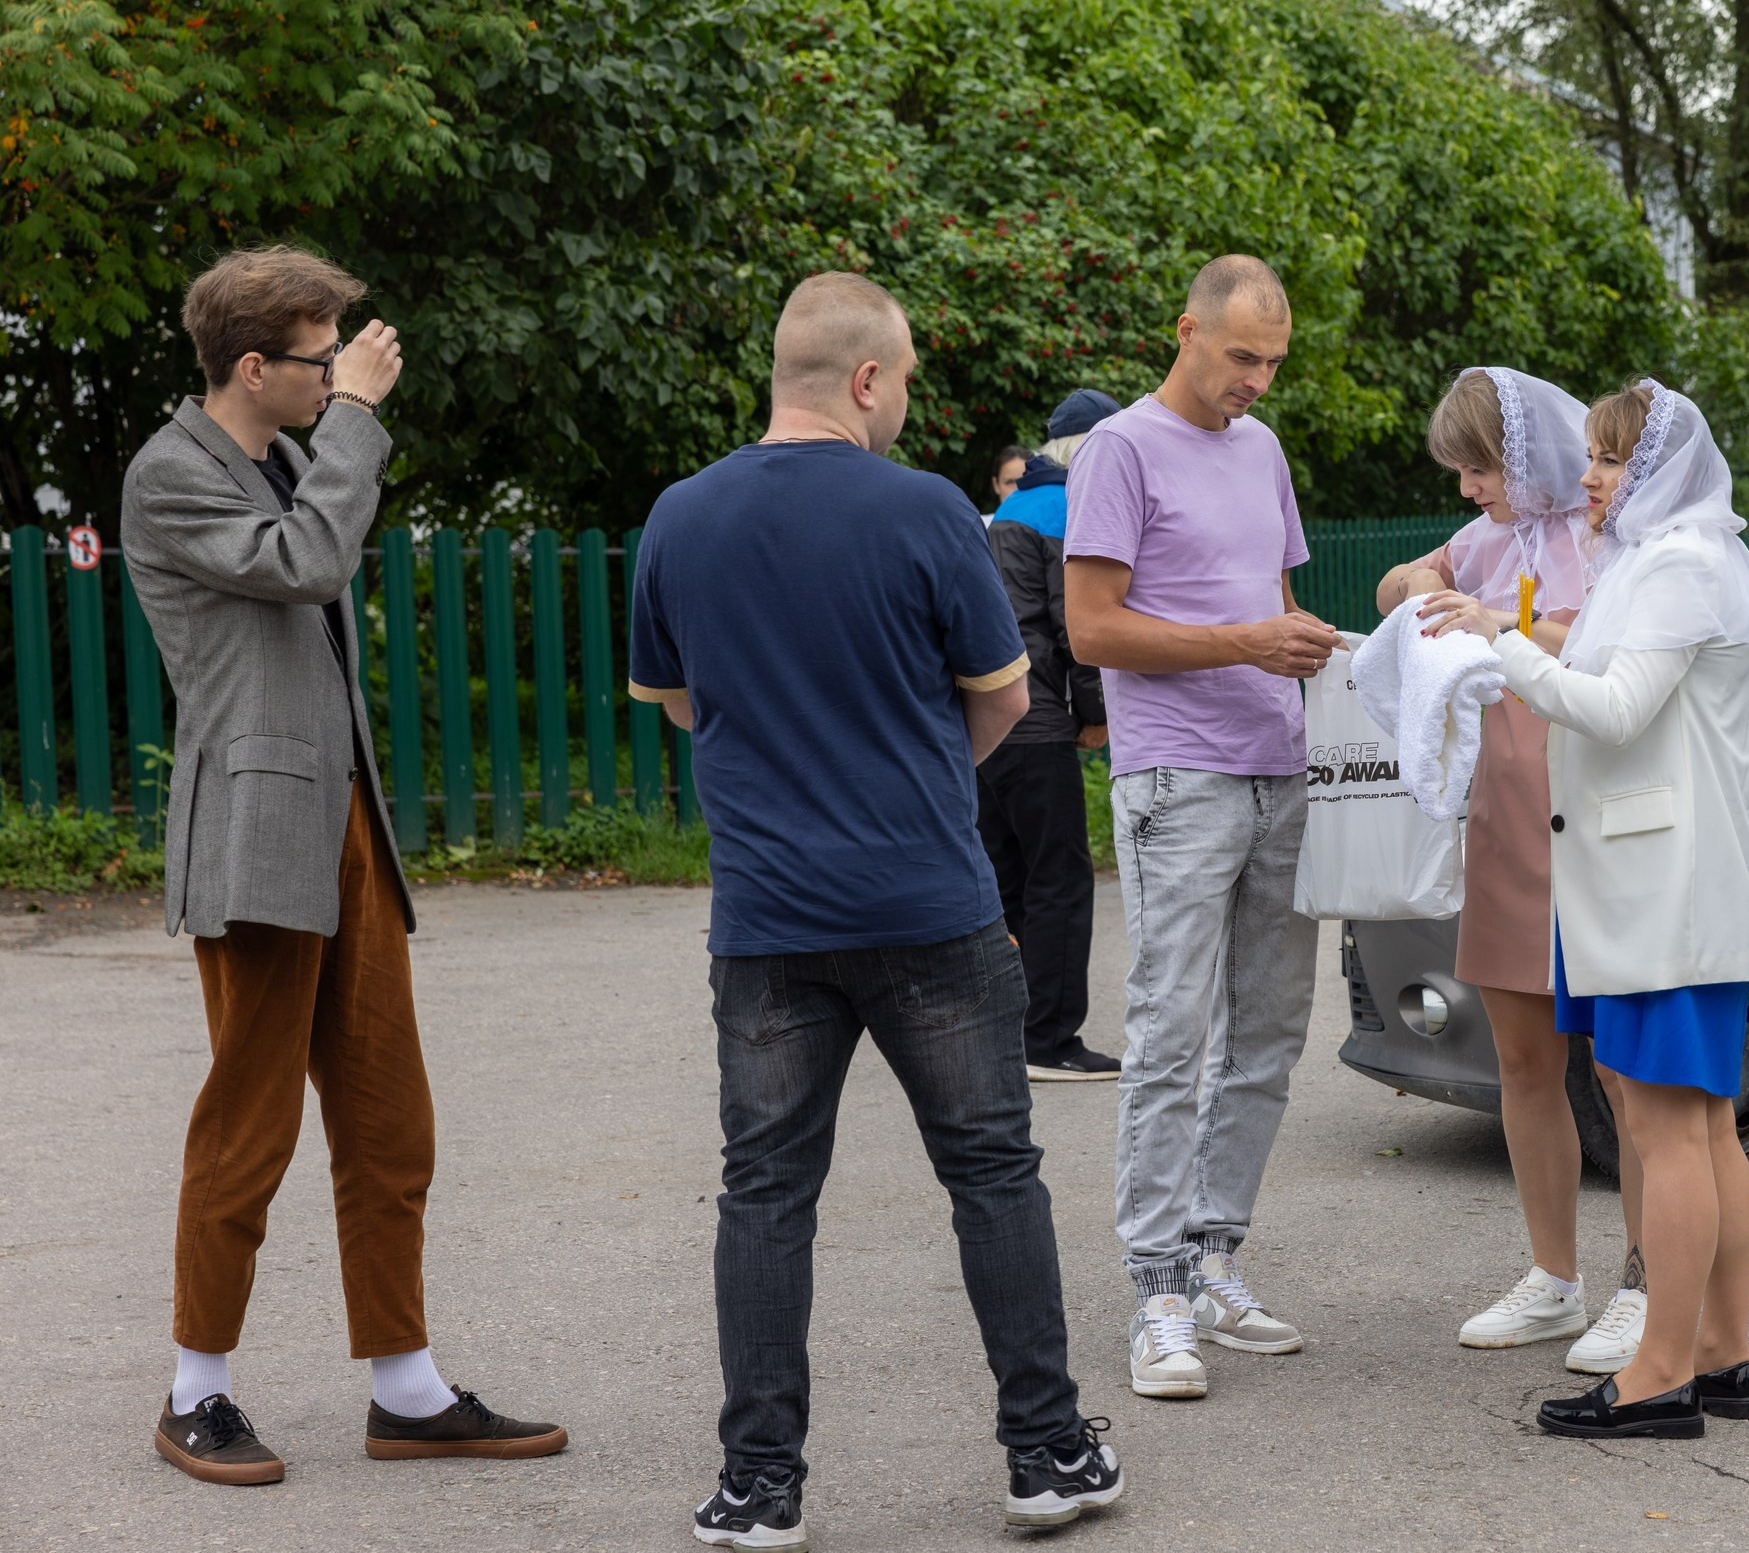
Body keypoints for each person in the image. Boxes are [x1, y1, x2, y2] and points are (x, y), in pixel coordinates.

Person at [629, 272, 1122, 1546]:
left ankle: (759, 1485)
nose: (903, 399)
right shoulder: (925, 511)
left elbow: (679, 701)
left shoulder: (680, 517)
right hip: (928, 904)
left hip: (767, 918)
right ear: (864, 379)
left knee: (764, 1193)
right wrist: (915, 778)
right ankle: (1046, 1453)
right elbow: (1003, 697)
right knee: (992, 1174)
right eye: (900, 378)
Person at [121, 246, 565, 1486]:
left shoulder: (278, 458)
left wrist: (337, 430)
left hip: (343, 818)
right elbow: (305, 564)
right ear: (251, 365)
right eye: (320, 360)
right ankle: (195, 1390)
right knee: (249, 1122)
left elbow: (312, 548)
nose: (339, 376)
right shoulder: (170, 474)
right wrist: (358, 417)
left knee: (387, 1116)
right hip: (256, 827)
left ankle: (406, 1390)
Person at [1423, 378, 1749, 1440]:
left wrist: (1500, 646)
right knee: (1699, 1126)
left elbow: (1618, 709)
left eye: (1613, 458)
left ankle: (1660, 1372)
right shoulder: (1663, 556)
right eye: (1590, 454)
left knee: (1671, 1129)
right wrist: (1511, 632)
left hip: (1659, 892)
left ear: (1660, 470)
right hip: (1652, 887)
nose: (1590, 474)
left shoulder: (1677, 563)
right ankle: (1721, 1354)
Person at [1062, 254, 1341, 1401]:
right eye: (1240, 356)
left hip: (1281, 768)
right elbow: (1090, 630)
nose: (1257, 380)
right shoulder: (1120, 448)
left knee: (1269, 1033)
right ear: (1185, 330)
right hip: (1178, 777)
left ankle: (1215, 1257)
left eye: (1272, 361)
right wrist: (1247, 643)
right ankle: (1157, 1291)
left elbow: (1271, 604)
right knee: (1170, 1035)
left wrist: (1305, 645)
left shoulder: (1261, 448)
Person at [1373, 367, 1650, 1377]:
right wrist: (1422, 585)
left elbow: (1625, 653)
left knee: (1628, 1072)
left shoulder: (1614, 531)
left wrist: (1503, 622)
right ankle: (1553, 1276)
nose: (1467, 488)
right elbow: (1393, 588)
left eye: (1480, 467)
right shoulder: (1485, 538)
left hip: (1601, 820)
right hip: (1504, 818)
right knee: (1524, 1064)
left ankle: (1647, 1281)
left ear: (1528, 456)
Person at [981, 389, 1117, 1081]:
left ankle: (1004, 1031)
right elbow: (1078, 628)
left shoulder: (1010, 510)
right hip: (1039, 724)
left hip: (988, 727)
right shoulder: (1071, 509)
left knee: (1008, 880)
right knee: (1060, 881)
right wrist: (1096, 713)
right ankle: (1052, 1041)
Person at [986, 443, 1035, 524]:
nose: (1017, 489)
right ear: (996, 485)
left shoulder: (1049, 529)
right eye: (1009, 482)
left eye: (1024, 481)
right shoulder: (980, 527)